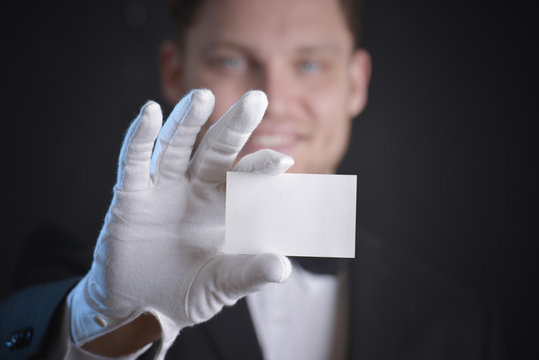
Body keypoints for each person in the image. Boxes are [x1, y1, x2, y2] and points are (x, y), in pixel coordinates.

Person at [0, 0, 500, 359]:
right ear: (174, 73)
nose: (275, 99)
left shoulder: (456, 322)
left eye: (309, 63)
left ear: (356, 82)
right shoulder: (79, 265)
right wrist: (98, 324)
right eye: (233, 60)